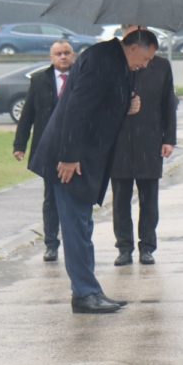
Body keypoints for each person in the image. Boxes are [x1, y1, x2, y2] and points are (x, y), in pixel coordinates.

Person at [30, 29, 158, 314]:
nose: (146, 64)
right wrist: (69, 156)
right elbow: (77, 107)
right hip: (70, 159)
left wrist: (128, 105)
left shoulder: (116, 61)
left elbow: (102, 105)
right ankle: (84, 294)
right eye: (147, 57)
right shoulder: (101, 60)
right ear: (135, 47)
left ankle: (89, 290)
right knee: (76, 227)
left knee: (83, 225)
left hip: (83, 158)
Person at [111, 25, 178, 266]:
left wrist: (169, 137)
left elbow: (169, 102)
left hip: (149, 139)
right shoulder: (115, 64)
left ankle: (147, 246)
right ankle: (124, 246)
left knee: (149, 198)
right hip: (119, 140)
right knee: (120, 199)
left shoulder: (161, 66)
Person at [13, 39, 75, 262]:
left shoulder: (82, 77)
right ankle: (51, 244)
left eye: (67, 53)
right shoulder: (40, 80)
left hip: (76, 149)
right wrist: (20, 145)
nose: (63, 57)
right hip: (48, 148)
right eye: (58, 53)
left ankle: (75, 243)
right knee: (51, 198)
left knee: (75, 199)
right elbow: (27, 114)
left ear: (73, 55)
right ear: (51, 57)